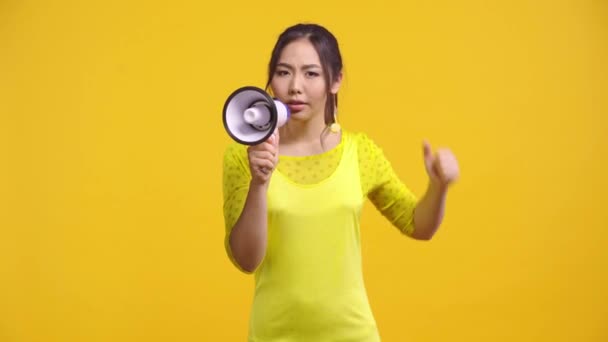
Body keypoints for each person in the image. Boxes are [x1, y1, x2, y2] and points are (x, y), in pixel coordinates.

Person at [222, 23, 460, 342]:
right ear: (270, 80)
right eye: (283, 72)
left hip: (352, 334)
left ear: (336, 80)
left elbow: (418, 224)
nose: (295, 87)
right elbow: (246, 260)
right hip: (273, 335)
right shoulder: (244, 157)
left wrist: (439, 187)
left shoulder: (359, 151)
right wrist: (259, 183)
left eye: (311, 73)